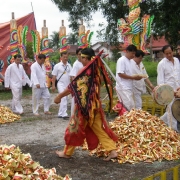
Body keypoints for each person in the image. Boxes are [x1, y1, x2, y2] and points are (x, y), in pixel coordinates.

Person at [54, 48, 118, 161]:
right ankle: (112, 150)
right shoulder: (97, 71)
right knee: (99, 129)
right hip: (95, 106)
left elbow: (73, 87)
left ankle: (67, 153)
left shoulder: (84, 71)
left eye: (82, 57)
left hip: (84, 108)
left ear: (87, 58)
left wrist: (59, 96)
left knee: (74, 128)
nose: (81, 59)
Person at [157, 45, 180, 131]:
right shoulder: (161, 64)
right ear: (164, 54)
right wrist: (168, 92)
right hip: (169, 92)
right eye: (166, 54)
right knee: (171, 111)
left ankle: (160, 121)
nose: (169, 55)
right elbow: (160, 82)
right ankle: (173, 130)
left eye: (170, 53)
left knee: (176, 109)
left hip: (178, 90)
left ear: (173, 51)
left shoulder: (177, 60)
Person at [115, 44, 143, 111]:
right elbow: (120, 74)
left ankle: (128, 120)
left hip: (129, 87)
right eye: (132, 53)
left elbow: (129, 74)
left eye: (134, 54)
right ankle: (125, 120)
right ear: (127, 51)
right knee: (128, 106)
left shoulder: (130, 61)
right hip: (123, 87)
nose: (133, 55)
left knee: (130, 106)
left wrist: (135, 76)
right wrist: (133, 78)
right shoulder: (121, 60)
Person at [51, 51, 72, 119]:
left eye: (66, 57)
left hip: (67, 84)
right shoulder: (57, 66)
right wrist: (53, 85)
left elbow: (71, 75)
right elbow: (54, 76)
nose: (65, 58)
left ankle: (60, 113)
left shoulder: (69, 65)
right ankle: (64, 114)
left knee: (64, 98)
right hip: (60, 84)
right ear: (61, 57)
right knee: (63, 97)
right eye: (64, 57)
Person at [69, 48, 83, 116]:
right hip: (78, 86)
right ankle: (73, 116)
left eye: (82, 54)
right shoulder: (76, 64)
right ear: (77, 55)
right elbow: (73, 76)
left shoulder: (85, 62)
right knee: (75, 101)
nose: (81, 55)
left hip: (84, 86)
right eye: (79, 54)